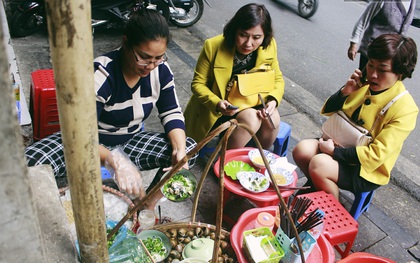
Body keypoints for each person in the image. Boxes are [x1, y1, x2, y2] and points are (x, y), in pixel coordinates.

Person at [24, 8, 197, 209]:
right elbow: (81, 138)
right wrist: (115, 161)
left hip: (129, 141)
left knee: (190, 149)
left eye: (158, 58)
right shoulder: (100, 75)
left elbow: (171, 112)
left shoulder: (160, 71)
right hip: (88, 144)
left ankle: (146, 206)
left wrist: (179, 150)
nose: (150, 66)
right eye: (144, 57)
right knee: (27, 165)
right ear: (125, 43)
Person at [293, 33, 418, 200]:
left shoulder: (406, 108)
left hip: (365, 168)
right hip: (338, 144)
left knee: (319, 164)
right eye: (370, 65)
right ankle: (318, 187)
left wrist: (334, 152)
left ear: (400, 73)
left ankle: (332, 209)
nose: (373, 74)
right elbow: (328, 111)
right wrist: (345, 92)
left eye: (382, 70)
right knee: (301, 150)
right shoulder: (362, 83)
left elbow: (376, 155)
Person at [184, 3, 285, 150]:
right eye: (243, 35)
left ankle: (257, 158)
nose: (249, 44)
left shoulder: (269, 46)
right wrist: (218, 103)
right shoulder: (213, 46)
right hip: (219, 109)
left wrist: (273, 101)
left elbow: (278, 79)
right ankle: (223, 160)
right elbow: (198, 84)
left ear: (265, 36)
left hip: (253, 101)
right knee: (251, 118)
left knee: (273, 119)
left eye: (256, 37)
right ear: (234, 30)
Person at [347, 0, 416, 70]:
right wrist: (354, 43)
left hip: (391, 52)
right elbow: (363, 20)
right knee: (364, 76)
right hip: (373, 48)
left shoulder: (412, 2)